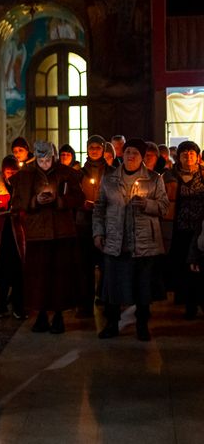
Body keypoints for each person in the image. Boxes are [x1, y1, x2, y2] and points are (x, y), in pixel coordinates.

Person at [94, 138, 169, 340]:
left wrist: (146, 204)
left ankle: (142, 324)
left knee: (142, 287)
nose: (130, 156)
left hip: (143, 243)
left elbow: (164, 207)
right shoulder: (109, 178)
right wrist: (98, 232)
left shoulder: (154, 179)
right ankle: (111, 324)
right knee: (113, 286)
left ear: (142, 156)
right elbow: (99, 208)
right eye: (127, 152)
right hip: (116, 240)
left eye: (135, 153)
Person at [10, 141, 85, 334]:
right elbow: (17, 201)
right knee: (38, 278)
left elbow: (79, 198)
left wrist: (59, 200)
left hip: (61, 231)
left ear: (54, 157)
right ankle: (41, 315)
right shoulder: (26, 175)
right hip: (37, 233)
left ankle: (59, 316)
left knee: (60, 277)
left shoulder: (66, 173)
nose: (45, 163)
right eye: (41, 160)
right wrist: (35, 201)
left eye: (48, 159)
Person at [164, 141, 204, 318]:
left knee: (199, 268)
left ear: (197, 156)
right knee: (182, 267)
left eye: (192, 153)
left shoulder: (203, 175)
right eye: (184, 154)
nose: (188, 157)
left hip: (201, 230)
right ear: (178, 157)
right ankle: (188, 304)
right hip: (179, 229)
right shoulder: (170, 176)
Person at [75, 135, 111, 316]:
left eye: (98, 147)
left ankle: (105, 298)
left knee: (107, 263)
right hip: (84, 222)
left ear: (104, 149)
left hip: (107, 223)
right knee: (85, 264)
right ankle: (84, 304)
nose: (94, 150)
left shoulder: (112, 171)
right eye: (91, 147)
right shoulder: (80, 173)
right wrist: (82, 204)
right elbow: (73, 196)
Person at [0, 155, 25, 319]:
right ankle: (2, 304)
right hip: (2, 234)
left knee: (19, 271)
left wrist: (18, 211)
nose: (11, 175)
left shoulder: (23, 185)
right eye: (8, 172)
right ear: (3, 172)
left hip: (18, 234)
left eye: (14, 172)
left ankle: (18, 305)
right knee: (3, 271)